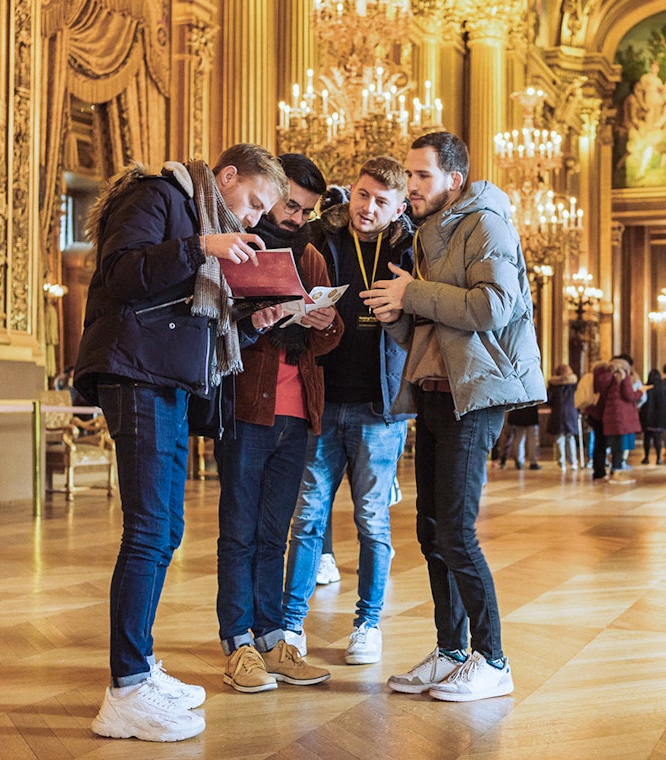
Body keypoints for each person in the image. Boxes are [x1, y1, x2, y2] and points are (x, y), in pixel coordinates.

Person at [75, 144, 288, 742]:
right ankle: (125, 691)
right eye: (251, 203)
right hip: (133, 373)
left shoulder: (203, 220)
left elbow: (186, 312)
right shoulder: (159, 196)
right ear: (225, 178)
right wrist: (202, 248)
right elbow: (120, 275)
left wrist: (250, 323)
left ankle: (139, 669)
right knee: (147, 530)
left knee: (165, 529)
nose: (251, 220)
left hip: (163, 379)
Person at [362, 131, 545, 702]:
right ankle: (449, 653)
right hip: (436, 390)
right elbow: (426, 324)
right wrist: (395, 308)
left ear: (454, 182)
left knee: (458, 532)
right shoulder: (422, 235)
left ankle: (494, 660)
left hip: (477, 395)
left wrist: (413, 294)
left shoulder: (486, 223)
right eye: (409, 176)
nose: (409, 186)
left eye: (421, 176)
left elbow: (493, 306)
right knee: (430, 531)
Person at [282, 155, 414, 667]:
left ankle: (369, 623)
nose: (367, 208)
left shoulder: (411, 249)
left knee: (372, 522)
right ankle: (292, 625)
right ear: (352, 192)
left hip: (380, 410)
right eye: (362, 195)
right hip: (322, 399)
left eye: (381, 201)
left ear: (398, 206)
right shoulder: (322, 239)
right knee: (308, 517)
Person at [215, 172, 342, 693]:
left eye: (307, 211)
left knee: (274, 532)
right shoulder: (239, 245)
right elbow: (215, 323)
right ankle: (237, 642)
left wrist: (326, 321)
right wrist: (256, 318)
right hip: (248, 407)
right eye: (292, 205)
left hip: (298, 412)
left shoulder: (310, 256)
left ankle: (271, 637)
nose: (297, 217)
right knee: (239, 531)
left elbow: (329, 339)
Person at [589, 359, 642, 484]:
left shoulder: (605, 378)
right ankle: (616, 472)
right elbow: (629, 395)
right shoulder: (623, 376)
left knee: (608, 445)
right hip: (622, 416)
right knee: (619, 446)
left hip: (608, 415)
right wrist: (641, 392)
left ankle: (603, 473)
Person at [546, 364, 581, 470]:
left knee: (559, 438)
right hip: (571, 412)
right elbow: (578, 397)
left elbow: (549, 400)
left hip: (558, 413)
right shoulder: (574, 383)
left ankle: (561, 462)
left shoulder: (553, 384)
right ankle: (573, 461)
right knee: (570, 438)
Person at [639, 368, 666, 465]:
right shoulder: (664, 388)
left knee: (647, 438)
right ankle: (658, 458)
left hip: (647, 417)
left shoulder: (646, 388)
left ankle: (646, 457)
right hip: (660, 418)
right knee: (658, 438)